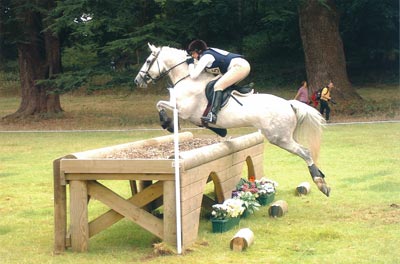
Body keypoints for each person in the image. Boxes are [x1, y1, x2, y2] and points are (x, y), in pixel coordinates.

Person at [186, 39, 251, 124]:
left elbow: (194, 75)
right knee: (213, 84)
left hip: (239, 66)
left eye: (193, 53)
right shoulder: (206, 55)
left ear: (199, 51)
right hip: (238, 66)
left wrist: (190, 64)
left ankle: (213, 115)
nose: (192, 56)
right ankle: (242, 89)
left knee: (218, 86)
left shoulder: (206, 57)